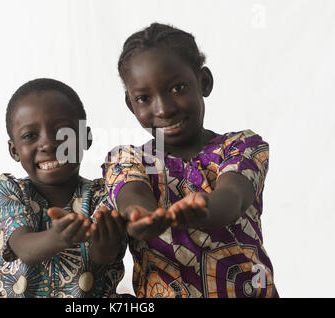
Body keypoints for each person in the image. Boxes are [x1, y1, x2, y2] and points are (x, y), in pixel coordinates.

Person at [102, 23, 278, 298]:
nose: (163, 108)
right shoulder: (127, 160)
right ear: (131, 104)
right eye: (144, 98)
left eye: (177, 88)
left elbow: (233, 197)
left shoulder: (241, 146)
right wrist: (143, 216)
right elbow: (131, 195)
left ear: (204, 82)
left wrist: (206, 209)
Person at [0, 78, 126, 298]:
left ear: (86, 138)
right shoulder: (7, 191)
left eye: (63, 133)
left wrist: (105, 243)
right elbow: (24, 248)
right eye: (30, 136)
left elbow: (104, 257)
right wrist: (60, 236)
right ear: (14, 150)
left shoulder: (105, 194)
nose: (48, 144)